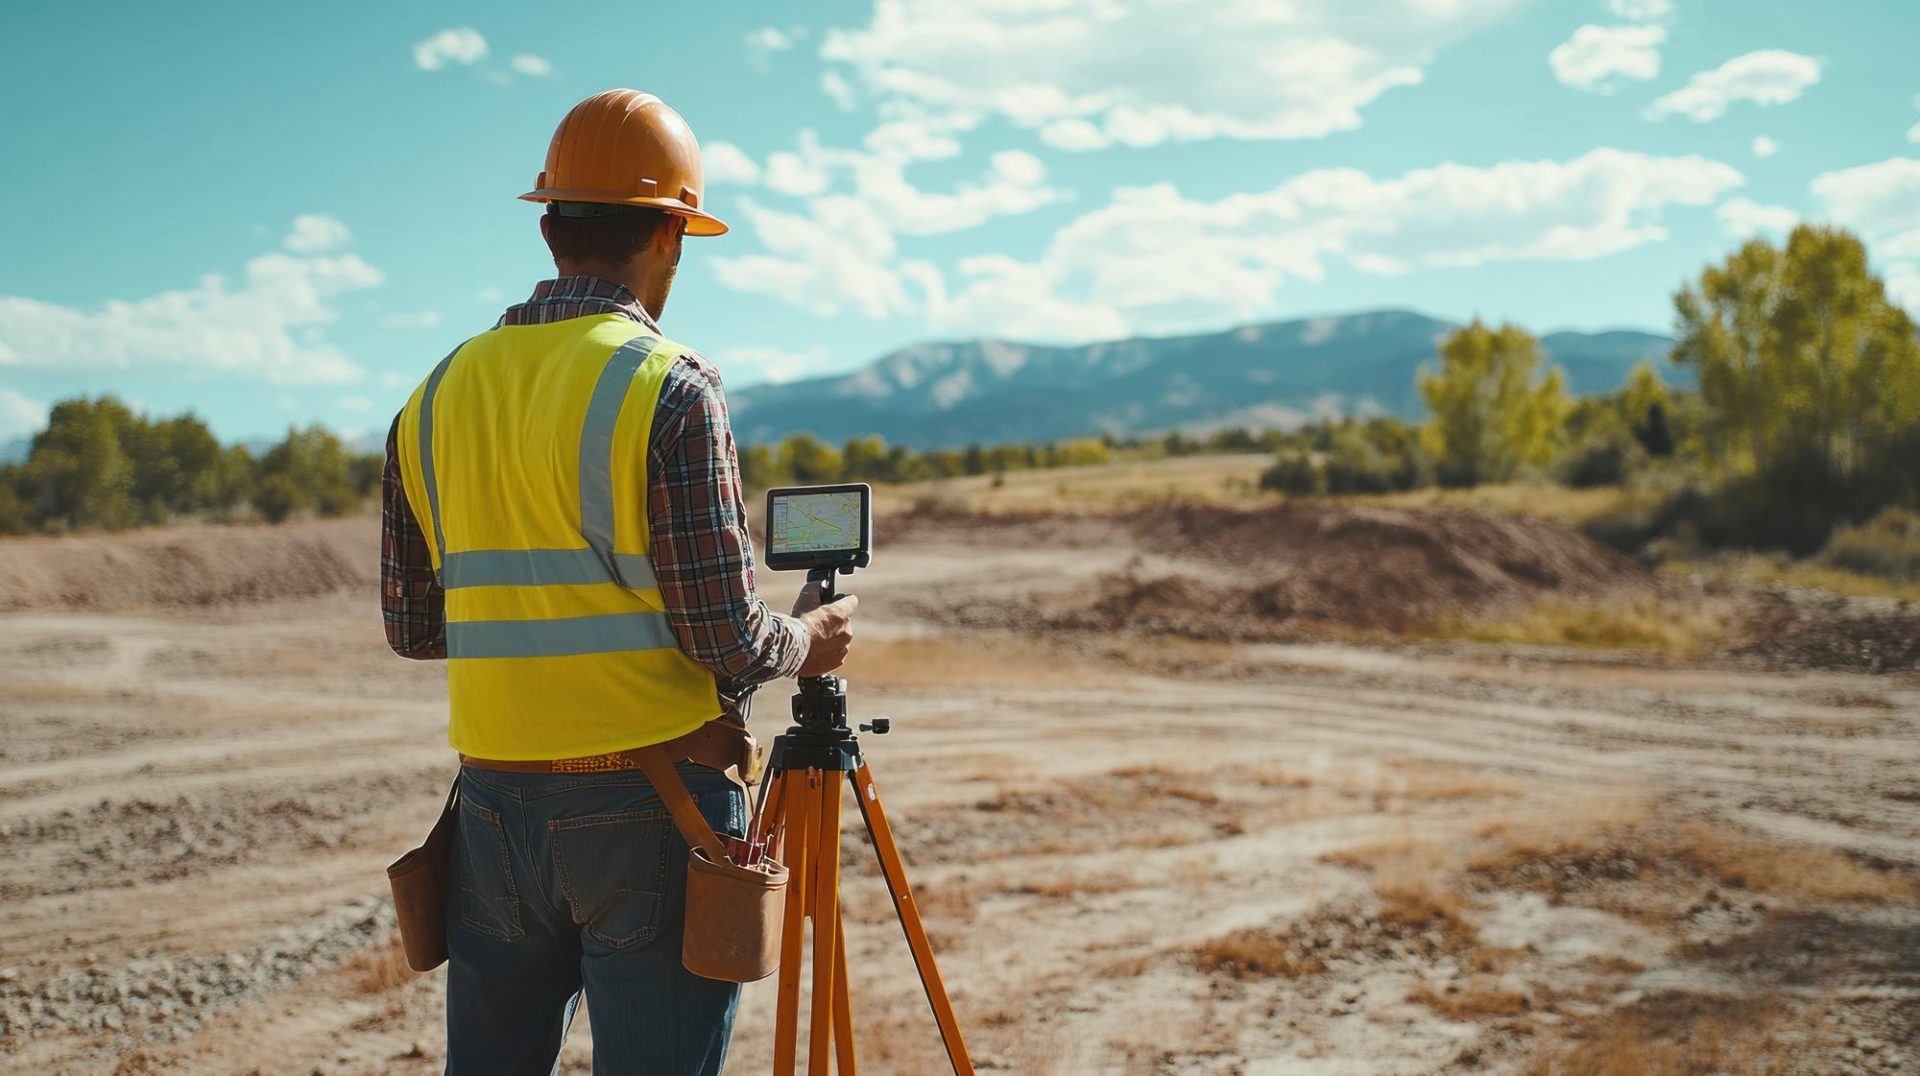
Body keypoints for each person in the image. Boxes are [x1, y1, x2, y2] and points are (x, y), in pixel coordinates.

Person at [380, 88, 858, 1075]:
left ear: (549, 225)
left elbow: (415, 625)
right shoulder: (669, 383)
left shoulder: (433, 394)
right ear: (671, 233)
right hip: (656, 804)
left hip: (492, 808)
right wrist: (808, 639)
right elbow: (724, 635)